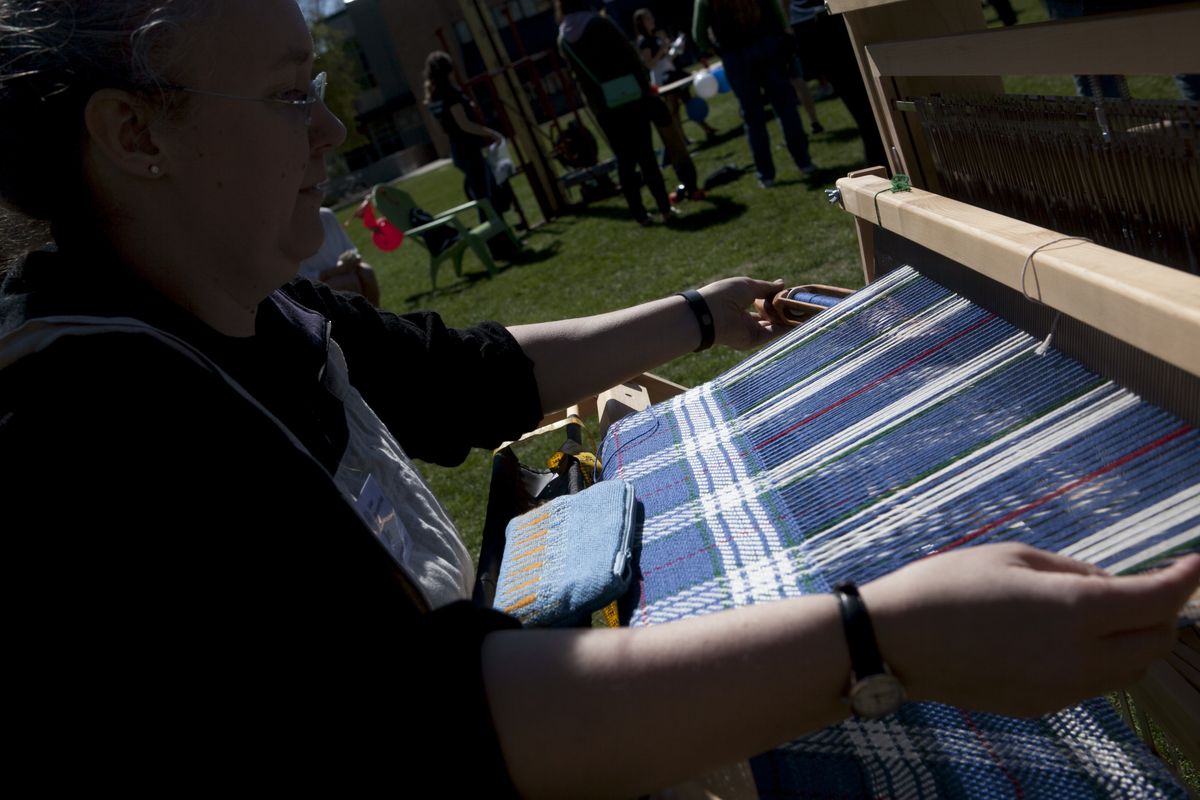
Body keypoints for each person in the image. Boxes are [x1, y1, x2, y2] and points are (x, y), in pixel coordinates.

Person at [2, 2, 1197, 796]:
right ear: (133, 134)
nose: (325, 129)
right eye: (283, 97)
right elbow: (428, 733)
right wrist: (877, 638)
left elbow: (461, 375)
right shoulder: (79, 429)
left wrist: (703, 313)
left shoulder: (248, 309)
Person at [558, 0, 679, 225]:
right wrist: (646, 89)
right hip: (630, 96)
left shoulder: (563, 39)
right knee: (646, 155)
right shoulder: (599, 24)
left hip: (602, 106)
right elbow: (630, 57)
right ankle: (665, 208)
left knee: (624, 160)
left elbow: (578, 77)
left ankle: (640, 213)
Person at [693, 0, 815, 187]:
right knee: (785, 107)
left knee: (753, 118)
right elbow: (775, 11)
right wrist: (784, 34)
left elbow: (698, 34)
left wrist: (716, 48)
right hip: (766, 46)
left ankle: (766, 175)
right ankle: (804, 163)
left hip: (734, 55)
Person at [634, 7, 717, 140]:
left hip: (671, 72)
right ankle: (682, 138)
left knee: (687, 101)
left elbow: (666, 58)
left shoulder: (655, 37)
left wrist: (676, 49)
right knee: (674, 109)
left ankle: (706, 129)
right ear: (642, 23)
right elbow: (649, 64)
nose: (652, 20)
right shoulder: (644, 42)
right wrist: (662, 50)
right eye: (648, 18)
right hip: (663, 78)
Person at [298, 206, 381, 306]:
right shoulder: (290, 228)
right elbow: (301, 277)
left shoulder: (326, 214)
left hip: (345, 270)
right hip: (319, 282)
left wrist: (353, 259)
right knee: (348, 281)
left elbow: (350, 248)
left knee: (367, 272)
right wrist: (336, 271)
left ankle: (378, 315)